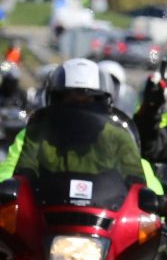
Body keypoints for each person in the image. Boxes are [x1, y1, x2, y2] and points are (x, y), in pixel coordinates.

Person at [11, 58, 144, 186]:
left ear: (104, 103)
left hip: (105, 208)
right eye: (69, 101)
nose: (79, 110)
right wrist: (8, 188)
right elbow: (12, 173)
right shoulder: (37, 134)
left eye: (88, 102)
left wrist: (153, 198)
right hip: (45, 208)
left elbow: (140, 181)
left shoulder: (118, 137)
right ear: (53, 101)